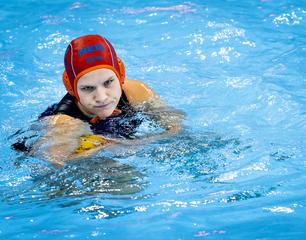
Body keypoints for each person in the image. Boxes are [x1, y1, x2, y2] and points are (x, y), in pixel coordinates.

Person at [19, 34, 183, 166]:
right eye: (87, 88)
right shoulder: (66, 122)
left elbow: (177, 128)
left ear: (120, 74)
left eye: (108, 82)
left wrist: (132, 144)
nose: (102, 97)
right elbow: (55, 162)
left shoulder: (136, 92)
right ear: (71, 87)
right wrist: (104, 148)